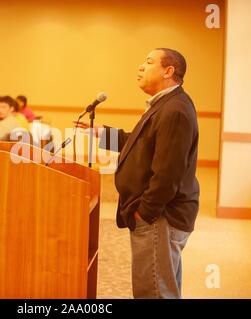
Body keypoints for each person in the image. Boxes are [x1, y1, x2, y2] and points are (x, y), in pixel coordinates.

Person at [77, 48, 199, 299]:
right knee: (162, 287)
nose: (141, 67)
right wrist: (104, 134)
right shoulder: (166, 104)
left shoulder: (174, 110)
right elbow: (141, 143)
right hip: (158, 216)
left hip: (160, 217)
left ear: (168, 71)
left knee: (153, 292)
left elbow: (168, 174)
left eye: (149, 62)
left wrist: (145, 212)